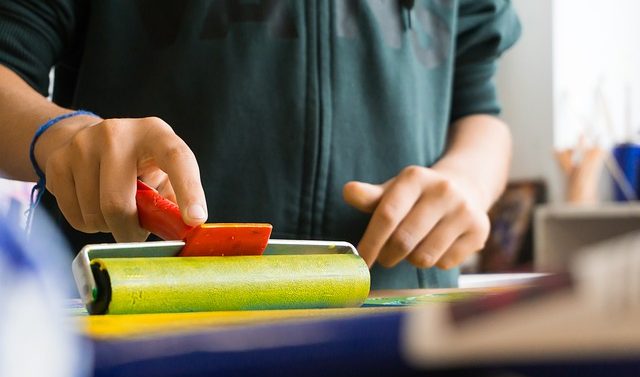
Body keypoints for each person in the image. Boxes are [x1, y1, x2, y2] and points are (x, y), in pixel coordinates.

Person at [0, 0, 520, 289]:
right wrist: (59, 135)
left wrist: (467, 181)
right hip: (137, 323)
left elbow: (478, 108)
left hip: (397, 327)